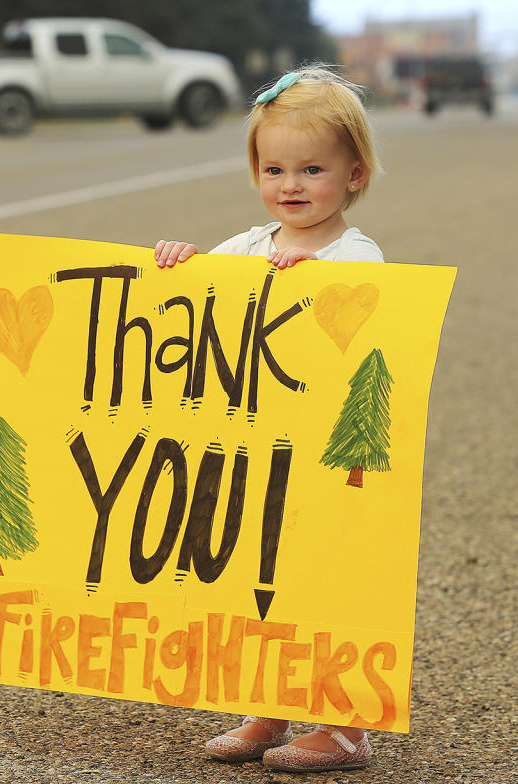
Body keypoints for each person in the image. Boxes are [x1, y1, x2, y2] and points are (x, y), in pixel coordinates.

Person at [153, 66, 382, 773]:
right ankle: (270, 709)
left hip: (322, 462)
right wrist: (181, 264)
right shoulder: (248, 246)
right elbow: (190, 307)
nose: (290, 184)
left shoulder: (357, 254)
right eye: (274, 167)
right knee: (260, 584)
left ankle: (346, 726)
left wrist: (308, 282)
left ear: (354, 174)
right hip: (256, 458)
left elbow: (369, 329)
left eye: (312, 168)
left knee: (330, 584)